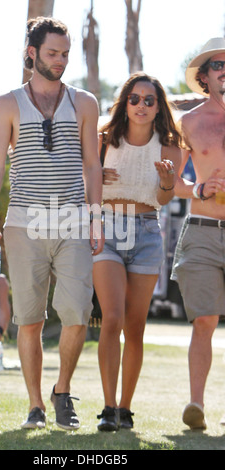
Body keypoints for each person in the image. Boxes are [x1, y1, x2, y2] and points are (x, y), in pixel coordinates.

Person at [0, 17, 103, 431]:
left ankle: (61, 391)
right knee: (29, 318)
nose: (61, 61)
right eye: (52, 53)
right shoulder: (9, 103)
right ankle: (35, 405)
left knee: (77, 313)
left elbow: (92, 164)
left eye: (65, 54)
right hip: (24, 221)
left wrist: (97, 218)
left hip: (73, 219)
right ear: (31, 53)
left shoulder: (84, 102)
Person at [93, 72, 181, 431]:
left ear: (158, 106)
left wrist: (167, 182)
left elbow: (163, 199)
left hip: (146, 230)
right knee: (111, 318)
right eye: (134, 99)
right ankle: (108, 407)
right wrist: (96, 176)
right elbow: (85, 184)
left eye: (149, 100)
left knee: (136, 327)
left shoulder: (171, 146)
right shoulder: (104, 138)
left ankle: (125, 408)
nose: (141, 105)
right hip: (108, 229)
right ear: (124, 103)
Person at [171, 37, 225, 430]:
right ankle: (196, 405)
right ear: (204, 77)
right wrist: (199, 189)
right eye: (219, 66)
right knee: (204, 319)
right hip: (204, 231)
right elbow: (171, 185)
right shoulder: (188, 123)